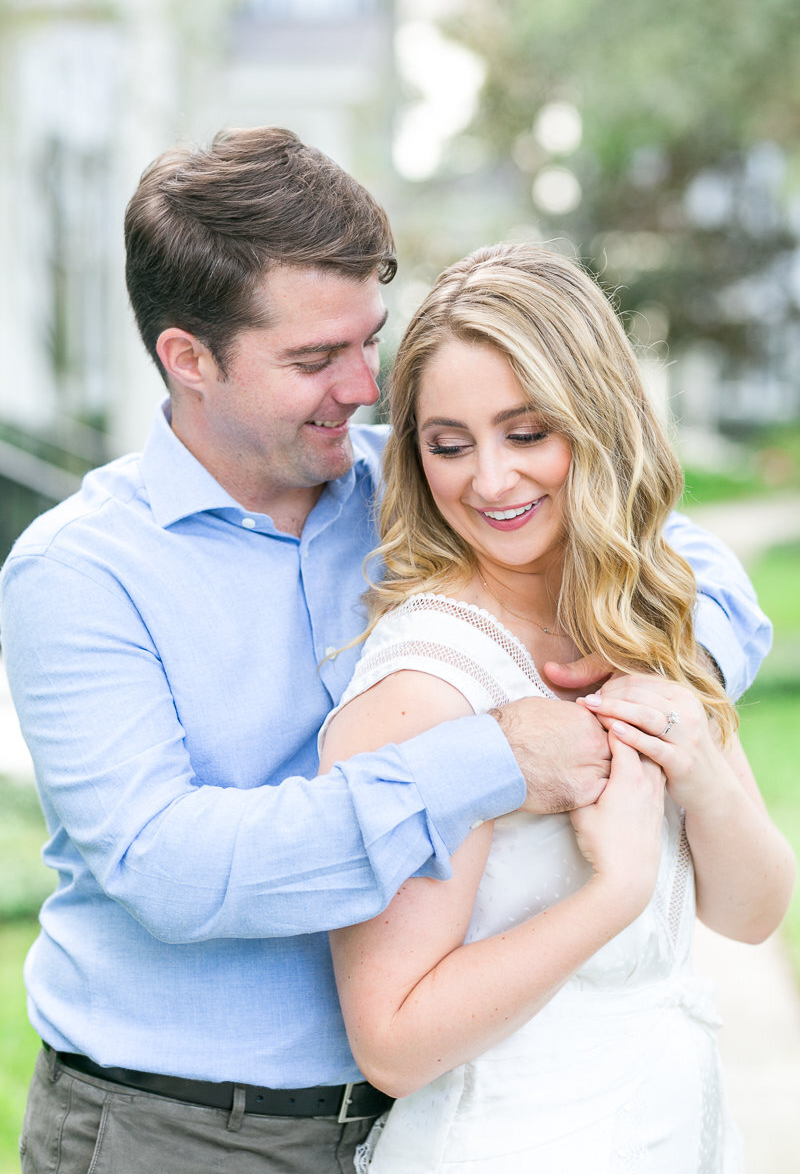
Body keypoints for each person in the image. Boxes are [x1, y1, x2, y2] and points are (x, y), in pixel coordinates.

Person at [0, 130, 771, 1174]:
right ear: (189, 359)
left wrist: (664, 691)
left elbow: (680, 557)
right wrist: (492, 761)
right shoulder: (81, 571)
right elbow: (167, 867)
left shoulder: (422, 483)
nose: (364, 386)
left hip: (422, 1112)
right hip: (179, 1130)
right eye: (315, 359)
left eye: (370, 340)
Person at [318, 243, 795, 1173]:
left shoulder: (645, 618)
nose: (490, 481)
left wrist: (701, 771)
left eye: (527, 433)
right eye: (449, 444)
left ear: (600, 419)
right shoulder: (428, 683)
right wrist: (612, 894)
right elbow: (393, 1040)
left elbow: (753, 912)